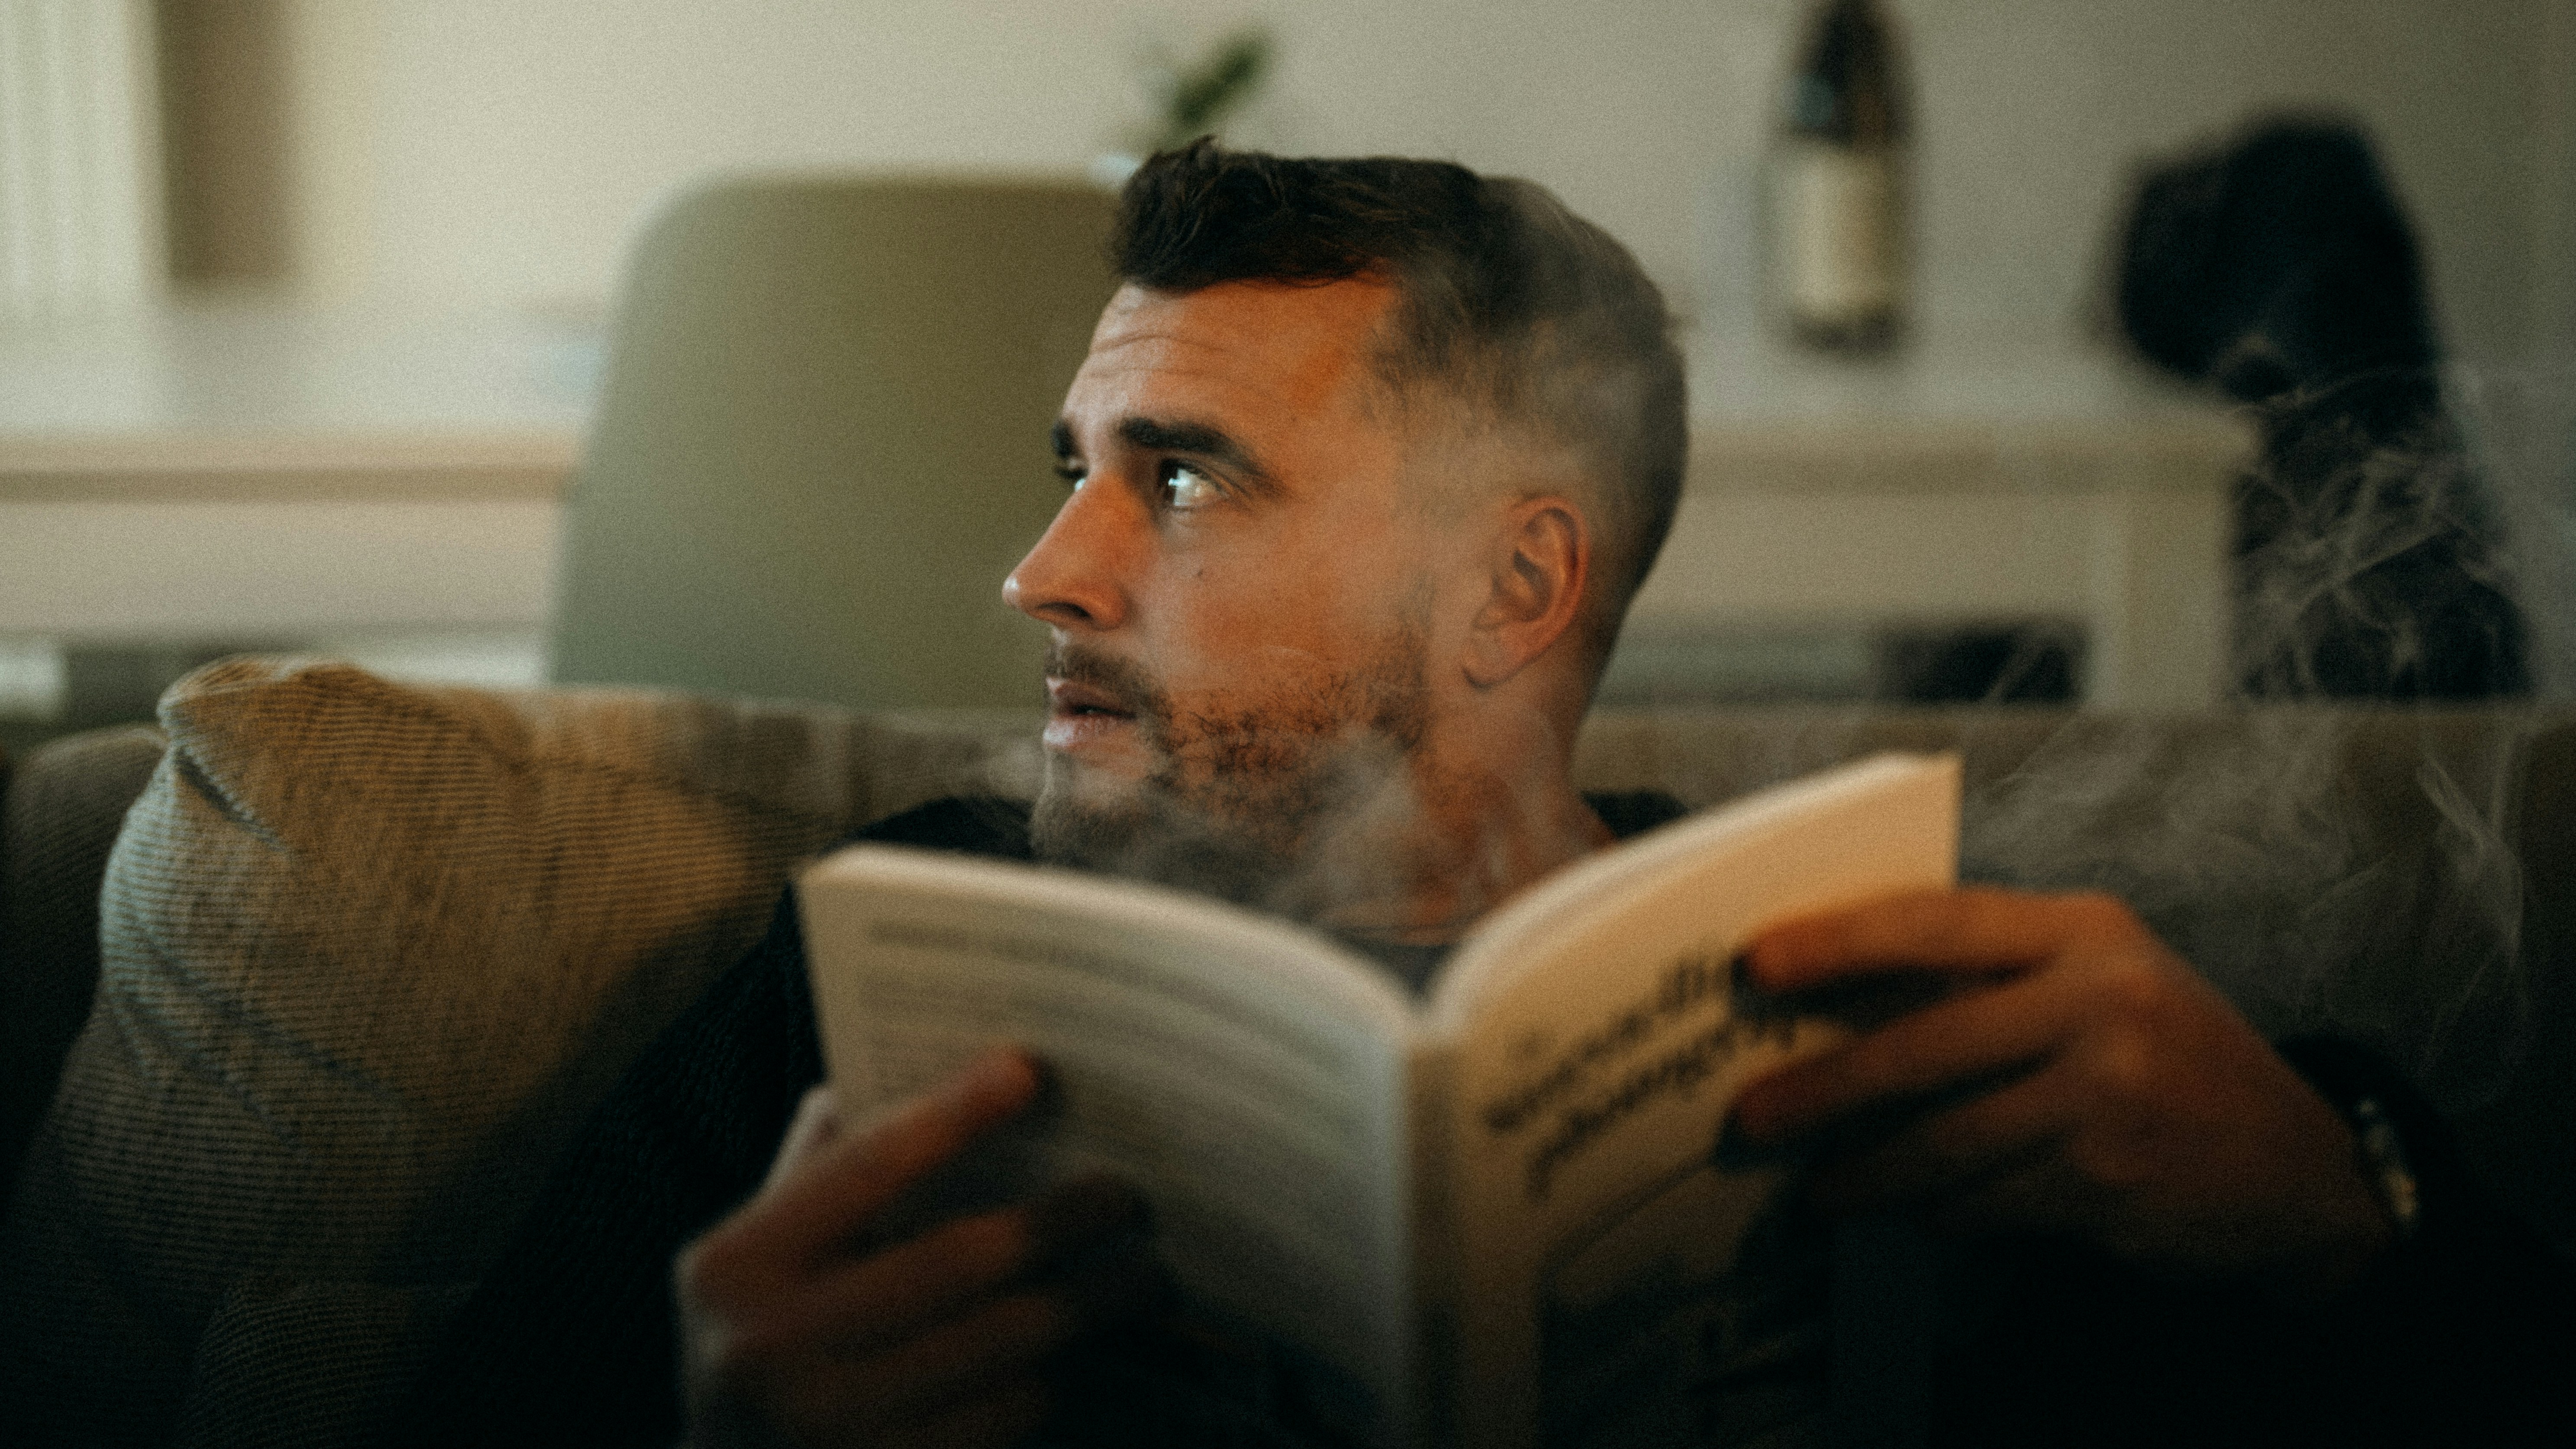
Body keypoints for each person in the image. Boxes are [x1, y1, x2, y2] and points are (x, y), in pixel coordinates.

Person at [407, 143, 2567, 1448]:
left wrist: (2345, 1215)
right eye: (1075, 470)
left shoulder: (1925, 1006)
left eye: (1182, 478)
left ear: (1512, 586)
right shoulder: (873, 961)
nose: (1042, 569)